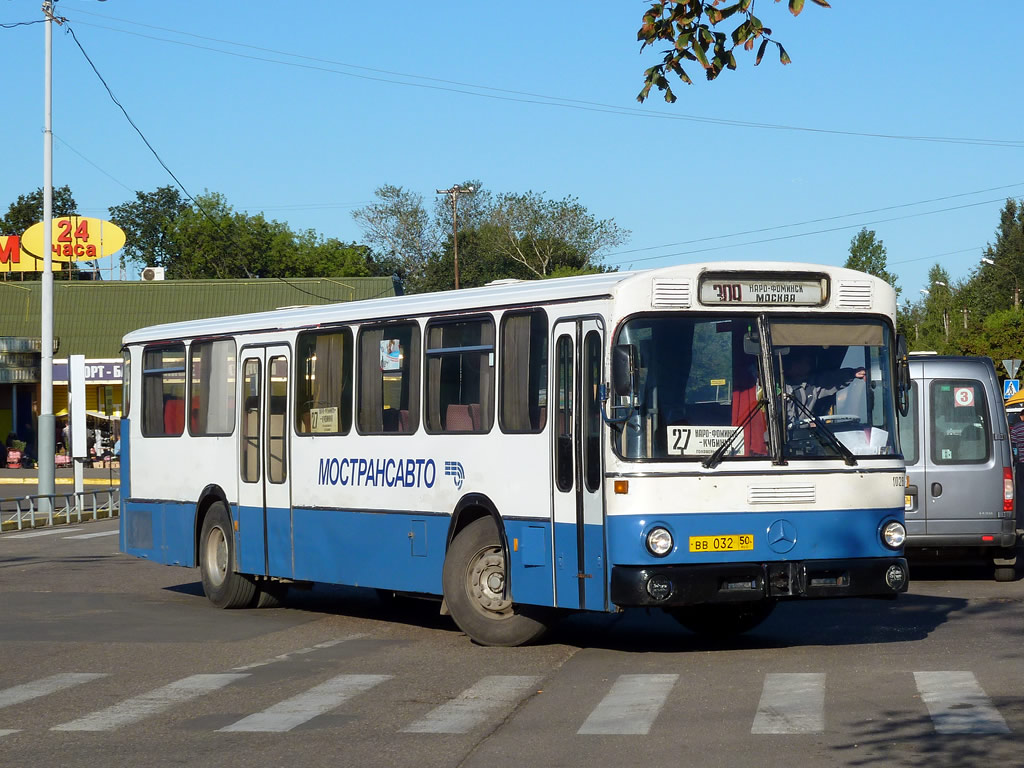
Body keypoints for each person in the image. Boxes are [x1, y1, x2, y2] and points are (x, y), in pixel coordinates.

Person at [783, 348, 865, 428]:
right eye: (804, 362)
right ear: (792, 364)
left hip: (806, 437)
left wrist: (852, 374)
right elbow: (785, 422)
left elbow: (830, 381)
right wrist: (807, 425)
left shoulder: (810, 387)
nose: (808, 366)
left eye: (808, 363)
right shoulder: (779, 390)